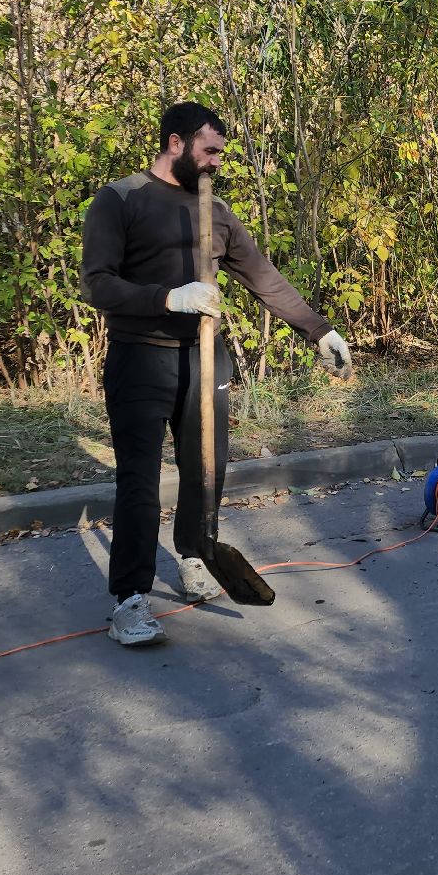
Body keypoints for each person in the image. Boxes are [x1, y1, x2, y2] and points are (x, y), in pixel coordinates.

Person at [80, 102, 353, 646]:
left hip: (206, 359)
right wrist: (168, 298)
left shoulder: (218, 214)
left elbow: (264, 278)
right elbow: (97, 284)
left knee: (207, 469)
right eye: (209, 151)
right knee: (139, 480)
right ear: (176, 143)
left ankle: (193, 554)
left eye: (221, 155)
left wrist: (318, 330)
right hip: (140, 357)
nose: (216, 163)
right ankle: (129, 601)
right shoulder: (121, 199)